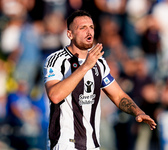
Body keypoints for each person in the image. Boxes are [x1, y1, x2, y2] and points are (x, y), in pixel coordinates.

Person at [43, 10, 157, 150]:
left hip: (92, 144)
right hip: (65, 143)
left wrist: (138, 112)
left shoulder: (99, 63)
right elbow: (55, 95)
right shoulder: (56, 60)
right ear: (69, 34)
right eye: (82, 28)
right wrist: (85, 67)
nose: (89, 31)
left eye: (91, 27)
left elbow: (118, 95)